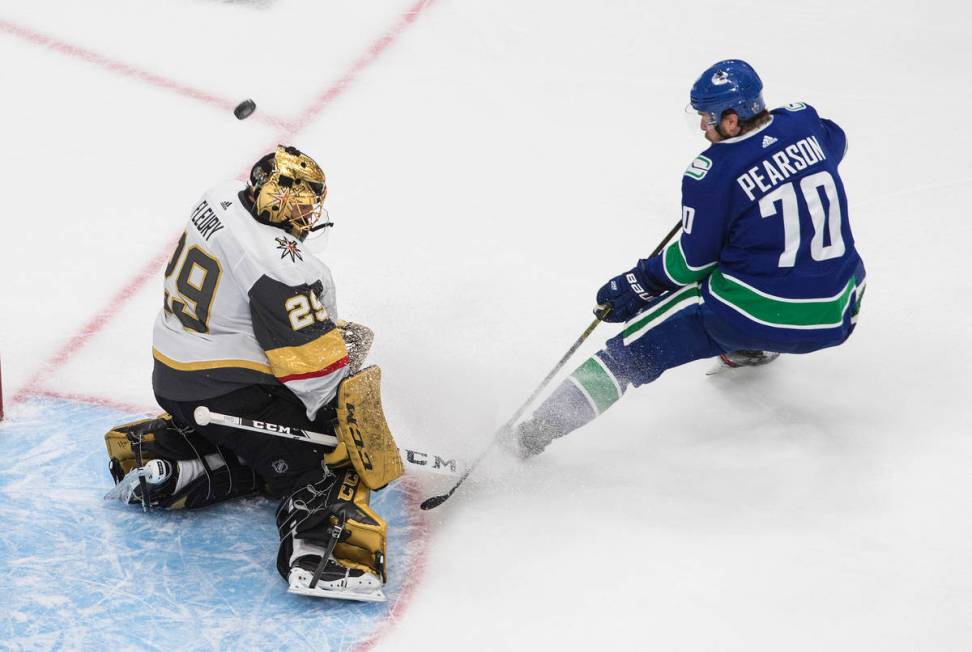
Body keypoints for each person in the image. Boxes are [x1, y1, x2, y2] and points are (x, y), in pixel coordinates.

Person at [514, 59, 866, 457]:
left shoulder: (712, 173)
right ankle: (748, 347)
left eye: (707, 117)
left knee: (629, 353)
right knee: (754, 256)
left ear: (732, 120)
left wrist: (638, 283)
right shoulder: (801, 121)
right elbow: (836, 141)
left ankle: (530, 436)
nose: (702, 127)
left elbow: (691, 263)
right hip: (841, 308)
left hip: (763, 312)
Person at [104, 145, 399, 603]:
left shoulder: (220, 196)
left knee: (267, 438)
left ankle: (179, 459)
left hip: (175, 377)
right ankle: (317, 553)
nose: (306, 211)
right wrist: (333, 419)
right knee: (319, 462)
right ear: (277, 198)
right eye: (300, 200)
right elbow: (312, 369)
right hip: (225, 391)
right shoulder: (279, 266)